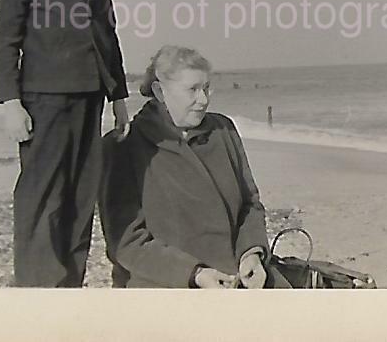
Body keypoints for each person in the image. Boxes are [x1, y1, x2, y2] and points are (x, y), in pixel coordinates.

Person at [0, 0, 130, 287]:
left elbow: (108, 40)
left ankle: (69, 285)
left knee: (80, 195)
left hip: (90, 101)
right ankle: (38, 288)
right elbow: (4, 46)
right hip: (43, 102)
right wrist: (11, 105)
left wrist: (119, 99)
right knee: (42, 197)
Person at [100, 45, 290, 288]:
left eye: (206, 88)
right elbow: (126, 243)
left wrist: (251, 253)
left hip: (235, 276)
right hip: (166, 286)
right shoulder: (124, 146)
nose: (203, 100)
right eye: (192, 90)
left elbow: (249, 204)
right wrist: (195, 274)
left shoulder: (224, 131)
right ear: (160, 91)